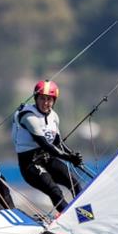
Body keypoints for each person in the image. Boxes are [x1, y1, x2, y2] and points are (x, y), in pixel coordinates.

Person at [12, 80, 83, 212]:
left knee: (75, 183)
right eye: (42, 99)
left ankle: (85, 218)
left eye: (49, 99)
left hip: (48, 159)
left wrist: (73, 155)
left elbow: (58, 143)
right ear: (36, 98)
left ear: (54, 101)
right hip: (30, 165)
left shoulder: (54, 117)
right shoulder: (28, 116)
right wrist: (69, 158)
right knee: (55, 191)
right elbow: (45, 145)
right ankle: (69, 221)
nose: (45, 103)